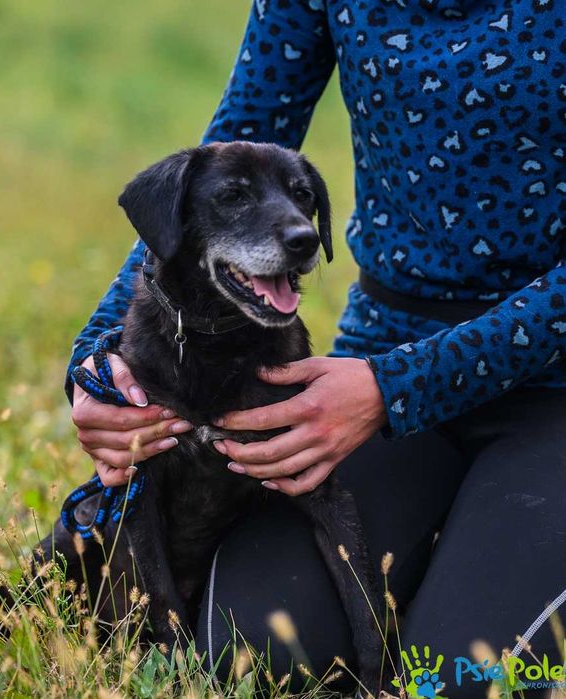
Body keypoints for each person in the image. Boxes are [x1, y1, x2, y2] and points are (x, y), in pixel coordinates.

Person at [66, 2, 566, 695]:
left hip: (548, 391)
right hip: (381, 362)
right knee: (258, 657)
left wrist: (398, 385)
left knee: (461, 679)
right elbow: (232, 154)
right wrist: (98, 360)